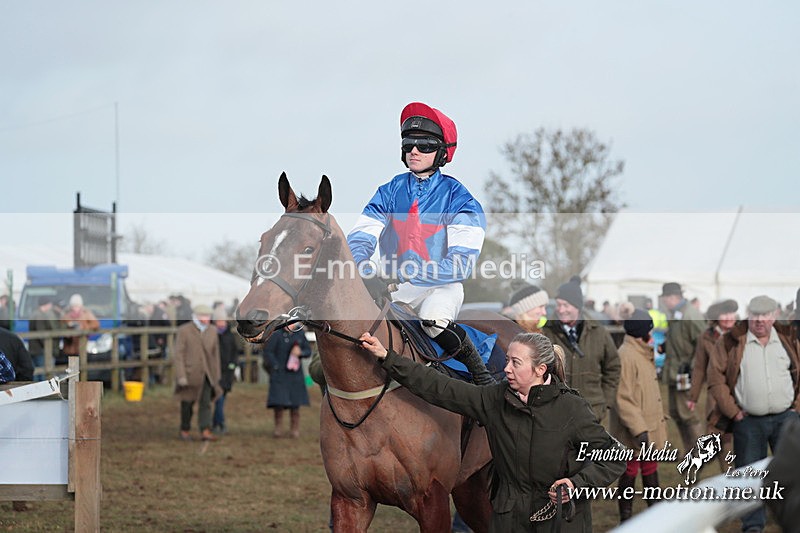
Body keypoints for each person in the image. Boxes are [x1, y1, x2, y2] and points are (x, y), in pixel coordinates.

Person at [360, 330, 626, 532]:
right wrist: (388, 357)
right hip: (507, 519)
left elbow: (615, 456)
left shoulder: (571, 408)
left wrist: (577, 484)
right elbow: (438, 387)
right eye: (507, 360)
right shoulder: (494, 400)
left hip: (562, 521)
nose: (506, 369)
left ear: (540, 369)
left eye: (515, 363)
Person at [346, 101, 492, 386]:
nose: (414, 150)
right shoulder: (388, 191)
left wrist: (404, 273)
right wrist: (363, 269)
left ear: (442, 152)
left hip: (440, 287)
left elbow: (461, 264)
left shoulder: (459, 198)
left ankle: (482, 379)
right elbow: (362, 235)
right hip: (395, 288)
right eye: (409, 143)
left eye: (424, 145)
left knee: (433, 321)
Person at [708, 295, 800, 533]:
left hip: (786, 419)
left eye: (765, 315)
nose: (759, 320)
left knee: (794, 474)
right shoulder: (730, 342)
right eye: (755, 315)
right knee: (748, 476)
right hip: (748, 422)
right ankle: (752, 526)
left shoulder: (788, 338)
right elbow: (716, 379)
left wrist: (797, 406)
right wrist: (733, 411)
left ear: (774, 316)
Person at [609, 309, 668, 522]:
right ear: (641, 333)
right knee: (629, 472)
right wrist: (639, 429)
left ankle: (656, 515)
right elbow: (622, 397)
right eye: (650, 331)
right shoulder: (626, 356)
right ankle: (626, 519)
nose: (652, 336)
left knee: (651, 469)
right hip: (634, 431)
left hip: (648, 427)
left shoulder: (642, 352)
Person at [541, 276, 621, 423]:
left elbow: (613, 368)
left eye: (566, 305)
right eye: (558, 305)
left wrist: (605, 403)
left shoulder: (598, 332)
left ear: (577, 306)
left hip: (594, 414)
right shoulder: (546, 333)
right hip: (557, 415)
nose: (561, 310)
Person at [686, 298, 738, 471]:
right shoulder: (705, 337)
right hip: (715, 396)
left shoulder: (744, 334)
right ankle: (727, 478)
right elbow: (699, 368)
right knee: (720, 437)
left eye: (732, 313)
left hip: (741, 393)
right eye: (724, 314)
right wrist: (693, 396)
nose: (729, 317)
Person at [659, 282, 705, 453]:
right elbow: (681, 339)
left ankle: (701, 452)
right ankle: (690, 451)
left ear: (672, 297)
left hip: (685, 372)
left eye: (665, 298)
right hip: (674, 371)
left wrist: (692, 369)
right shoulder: (676, 314)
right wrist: (666, 345)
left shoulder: (690, 315)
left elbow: (703, 345)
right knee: (677, 413)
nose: (663, 301)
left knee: (688, 414)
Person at [174, 304, 223, 442]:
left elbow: (215, 354)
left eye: (208, 316)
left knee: (206, 402)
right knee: (187, 404)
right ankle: (185, 429)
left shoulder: (213, 331)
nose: (206, 319)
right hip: (190, 373)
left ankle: (205, 429)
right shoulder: (184, 330)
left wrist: (216, 374)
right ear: (196, 316)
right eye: (204, 316)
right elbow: (179, 354)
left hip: (207, 373)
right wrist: (181, 375)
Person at [263, 325, 311, 438]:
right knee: (278, 403)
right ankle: (278, 428)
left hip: (295, 375)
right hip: (280, 374)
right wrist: (275, 366)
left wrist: (301, 353)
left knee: (295, 404)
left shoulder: (300, 334)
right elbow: (268, 351)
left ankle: (294, 429)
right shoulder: (276, 334)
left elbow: (308, 351)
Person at [212, 308, 238, 434]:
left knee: (221, 398)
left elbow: (234, 352)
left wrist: (233, 365)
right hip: (215, 372)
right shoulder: (212, 335)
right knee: (219, 398)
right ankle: (220, 423)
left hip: (227, 373)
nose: (221, 323)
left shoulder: (230, 335)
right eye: (219, 320)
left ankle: (216, 423)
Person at [28, 295, 60, 380]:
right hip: (40, 350)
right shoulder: (40, 316)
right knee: (43, 375)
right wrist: (49, 347)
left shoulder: (35, 314)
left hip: (34, 349)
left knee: (36, 372)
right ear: (46, 304)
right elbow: (41, 334)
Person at [60, 294, 100, 358]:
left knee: (82, 363)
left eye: (77, 306)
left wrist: (83, 327)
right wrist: (68, 328)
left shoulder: (86, 314)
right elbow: (61, 326)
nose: (75, 308)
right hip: (70, 346)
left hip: (82, 345)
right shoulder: (66, 314)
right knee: (73, 365)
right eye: (73, 306)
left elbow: (96, 324)